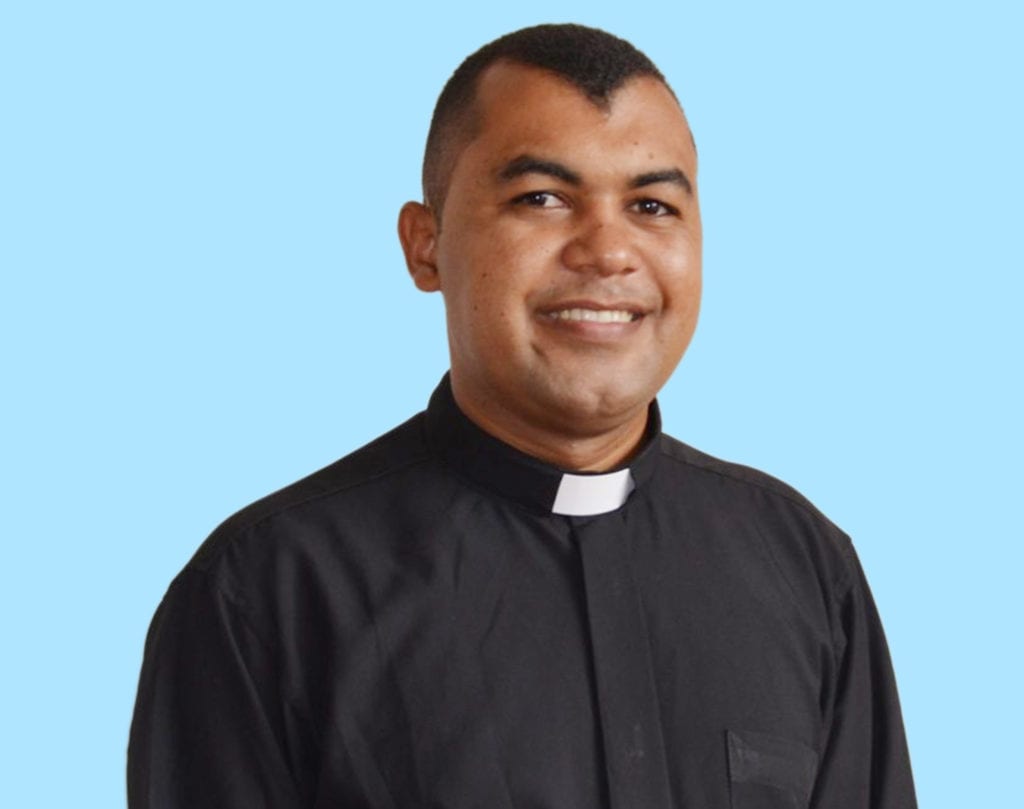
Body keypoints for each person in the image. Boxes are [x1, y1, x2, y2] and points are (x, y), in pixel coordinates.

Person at [128, 23, 916, 809]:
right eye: (542, 198)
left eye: (651, 204)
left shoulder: (806, 565)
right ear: (425, 245)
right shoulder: (265, 595)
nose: (608, 252)